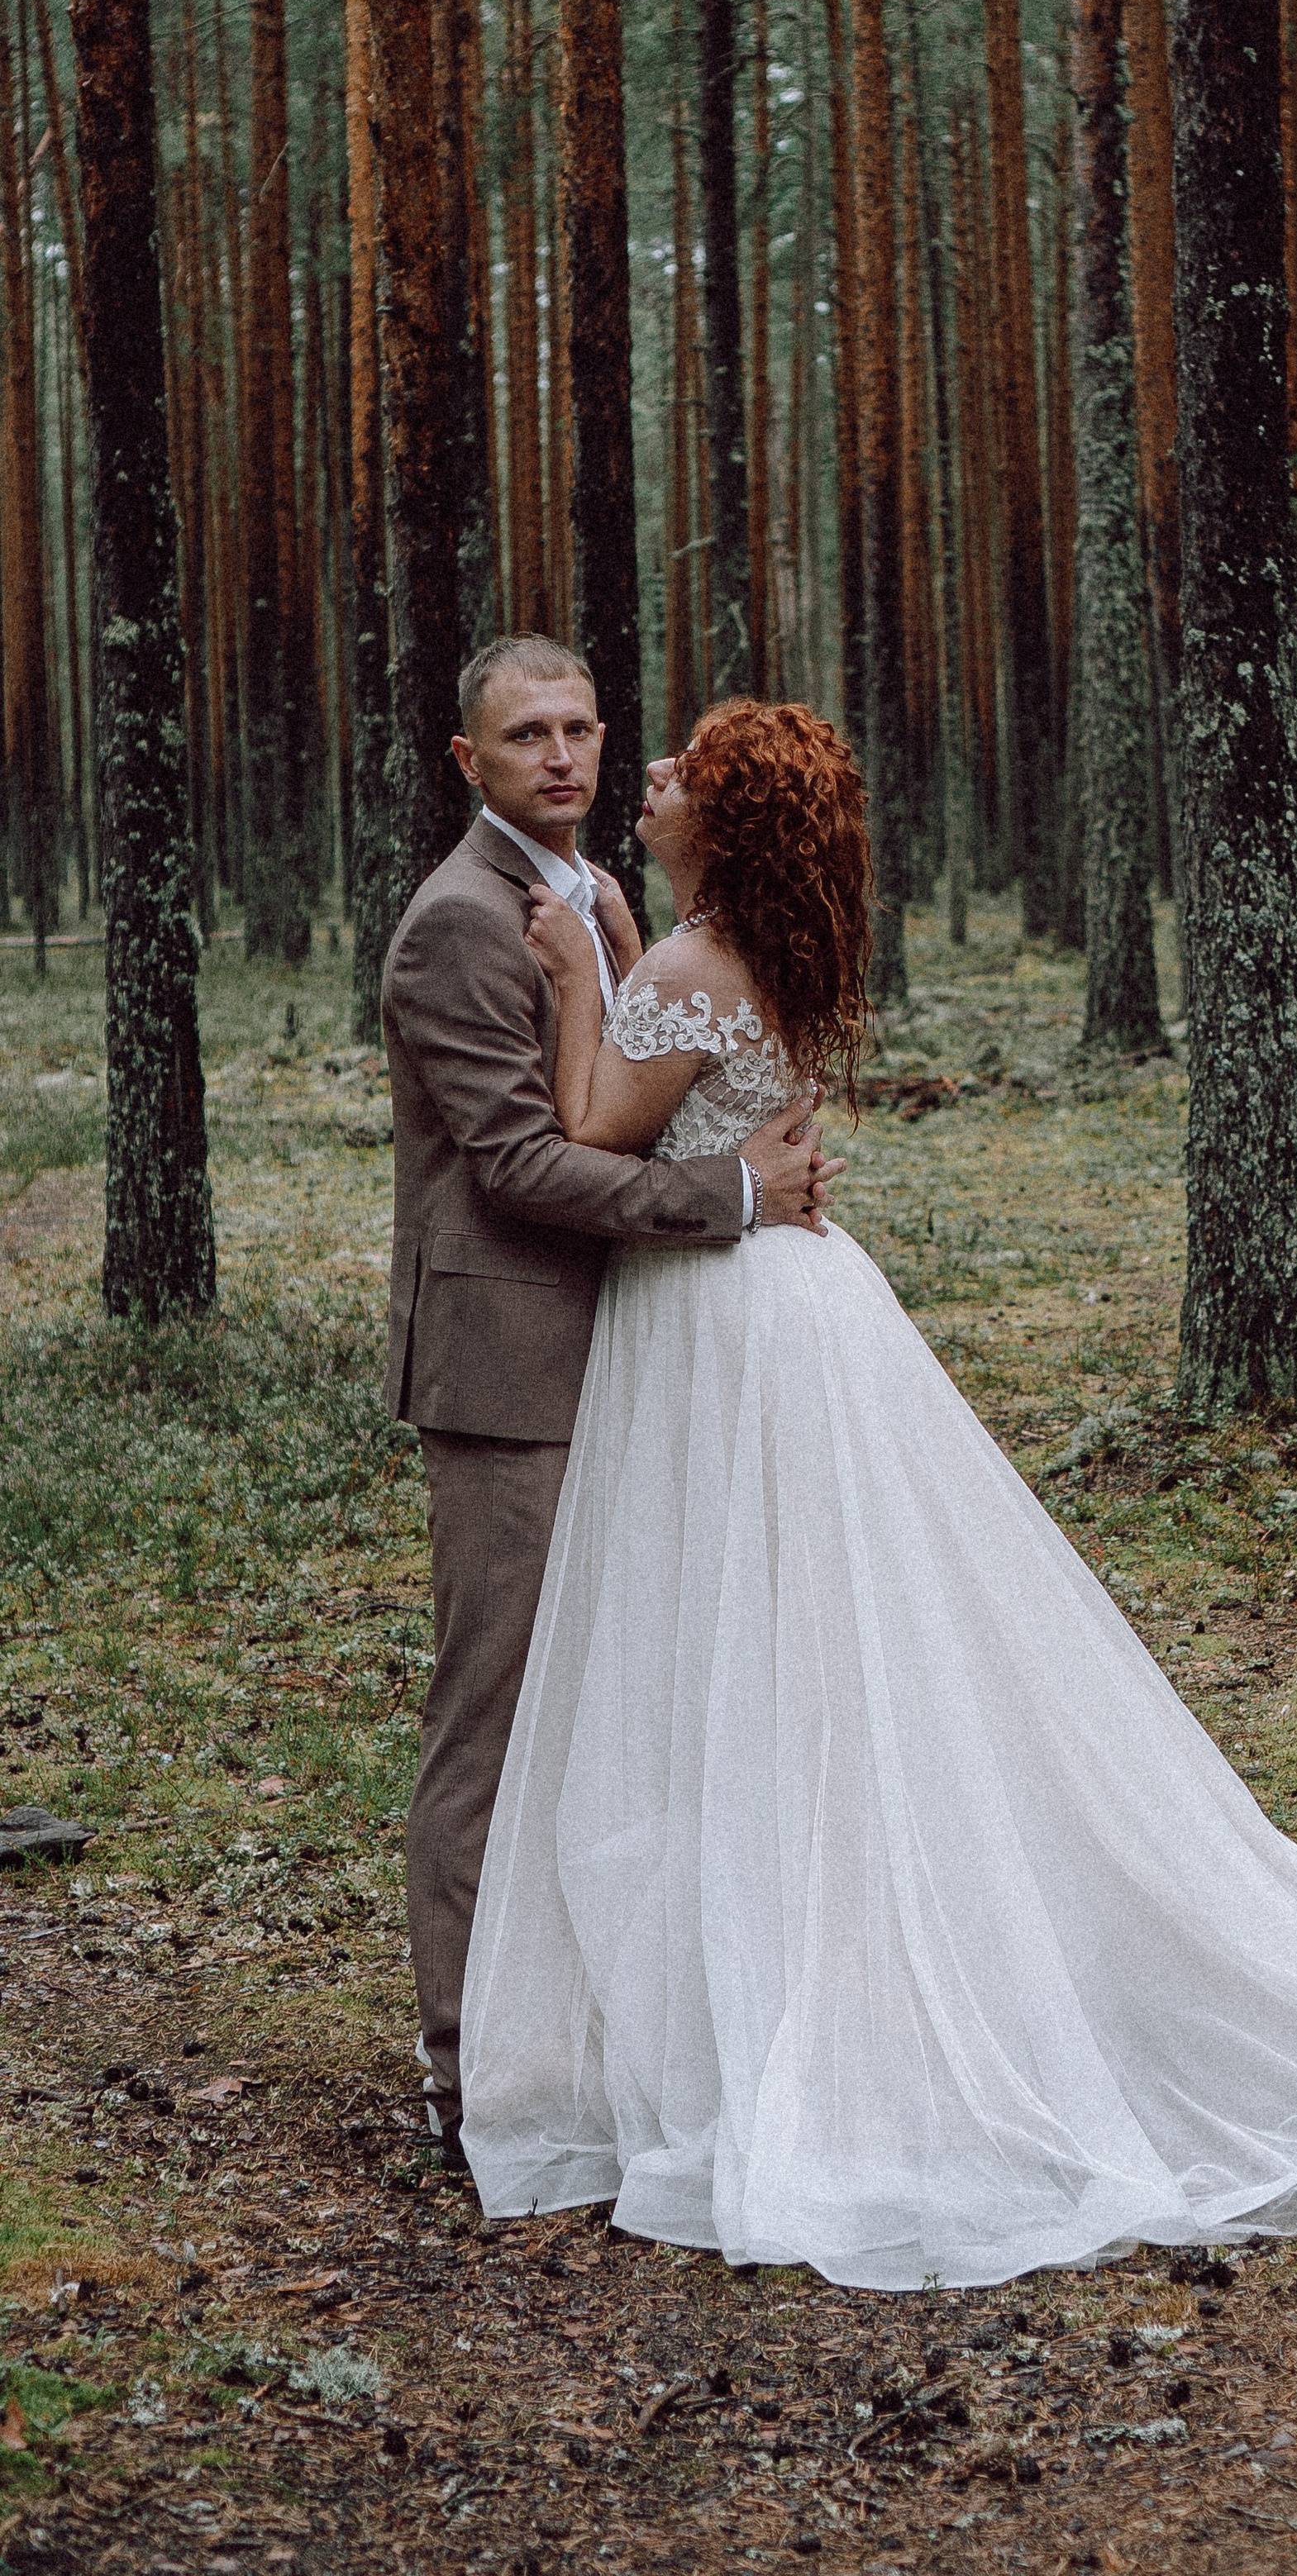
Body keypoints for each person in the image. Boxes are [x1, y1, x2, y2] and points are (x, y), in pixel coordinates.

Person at [458, 698, 1297, 2289]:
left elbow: (593, 1127)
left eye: (674, 774)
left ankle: (801, 1992)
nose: (641, 780)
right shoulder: (749, 949)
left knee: (753, 1647)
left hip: (723, 1322)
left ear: (719, 823)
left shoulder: (675, 967)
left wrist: (583, 971)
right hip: (791, 1305)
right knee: (815, 1649)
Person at [379, 636, 842, 2164]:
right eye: (527, 735)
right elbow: (518, 1162)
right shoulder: (459, 923)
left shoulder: (602, 904)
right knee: (500, 1717)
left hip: (652, 1359)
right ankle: (470, 2073)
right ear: (471, 761)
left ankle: (606, 2034)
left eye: (583, 728)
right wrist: (730, 1191)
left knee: (633, 1714)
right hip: (514, 1374)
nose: (566, 758)